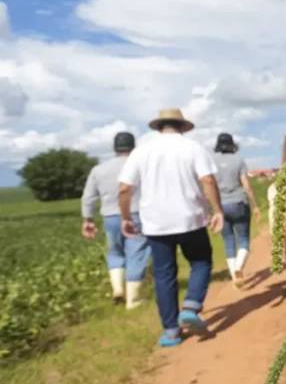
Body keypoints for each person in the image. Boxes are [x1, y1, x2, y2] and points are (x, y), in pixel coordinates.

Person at [117, 108, 224, 348]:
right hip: (191, 219)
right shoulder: (193, 148)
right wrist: (217, 210)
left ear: (159, 127)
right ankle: (191, 306)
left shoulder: (141, 151)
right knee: (201, 262)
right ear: (182, 126)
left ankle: (171, 332)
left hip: (156, 223)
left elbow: (124, 188)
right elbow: (208, 180)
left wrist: (125, 217)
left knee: (164, 275)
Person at [81, 131, 150, 309]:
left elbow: (88, 197)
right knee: (136, 253)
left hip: (110, 217)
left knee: (115, 252)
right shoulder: (142, 166)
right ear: (134, 147)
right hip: (135, 214)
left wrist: (88, 219)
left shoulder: (98, 170)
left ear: (114, 148)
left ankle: (118, 289)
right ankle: (133, 300)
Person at [211, 132, 261, 288]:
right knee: (244, 239)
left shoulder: (212, 162)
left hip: (221, 206)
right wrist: (255, 206)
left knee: (228, 241)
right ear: (232, 144)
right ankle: (239, 268)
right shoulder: (238, 160)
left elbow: (210, 185)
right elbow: (247, 186)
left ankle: (234, 277)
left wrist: (212, 209)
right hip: (239, 203)